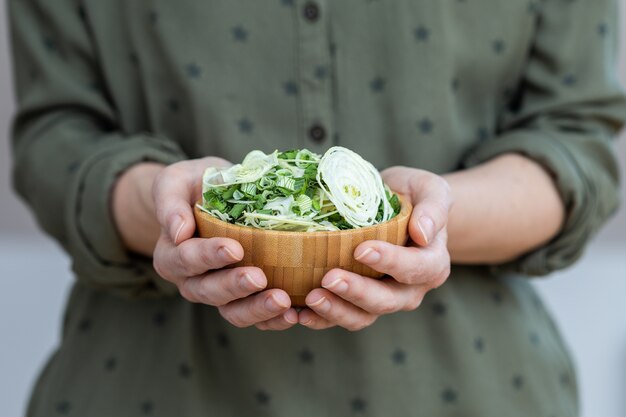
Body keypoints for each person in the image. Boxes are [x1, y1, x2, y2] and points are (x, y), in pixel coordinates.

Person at [9, 0, 625, 416]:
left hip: (467, 388)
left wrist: (431, 221)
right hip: (149, 387)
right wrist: (169, 213)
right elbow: (54, 136)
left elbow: (575, 139)